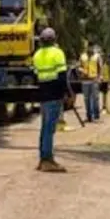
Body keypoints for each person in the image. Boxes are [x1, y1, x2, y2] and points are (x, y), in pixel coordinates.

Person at [31, 26, 68, 172]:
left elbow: (36, 76)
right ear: (54, 40)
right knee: (49, 129)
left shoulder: (37, 55)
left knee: (44, 128)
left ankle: (42, 158)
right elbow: (62, 77)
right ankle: (47, 160)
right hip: (54, 95)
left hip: (43, 95)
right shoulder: (58, 53)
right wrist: (65, 94)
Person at [78, 44, 102, 122]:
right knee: (86, 99)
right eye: (88, 47)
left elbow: (99, 68)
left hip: (94, 80)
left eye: (91, 47)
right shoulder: (82, 56)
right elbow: (79, 66)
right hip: (85, 80)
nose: (90, 49)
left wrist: (99, 78)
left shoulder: (97, 56)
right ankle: (88, 117)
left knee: (95, 98)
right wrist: (81, 71)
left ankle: (96, 116)